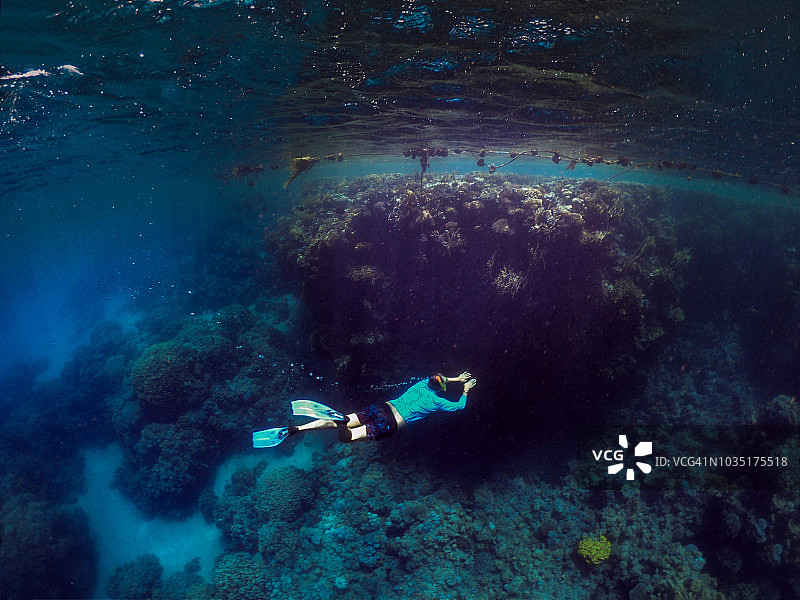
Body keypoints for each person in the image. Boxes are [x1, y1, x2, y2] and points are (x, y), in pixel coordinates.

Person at [253, 371, 476, 447]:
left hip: (382, 407)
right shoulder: (437, 402)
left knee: (345, 419)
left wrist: (456, 378)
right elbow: (459, 407)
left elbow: (438, 377)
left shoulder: (421, 384)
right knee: (346, 438)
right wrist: (464, 389)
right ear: (442, 387)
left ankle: (297, 430)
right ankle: (340, 423)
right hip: (391, 422)